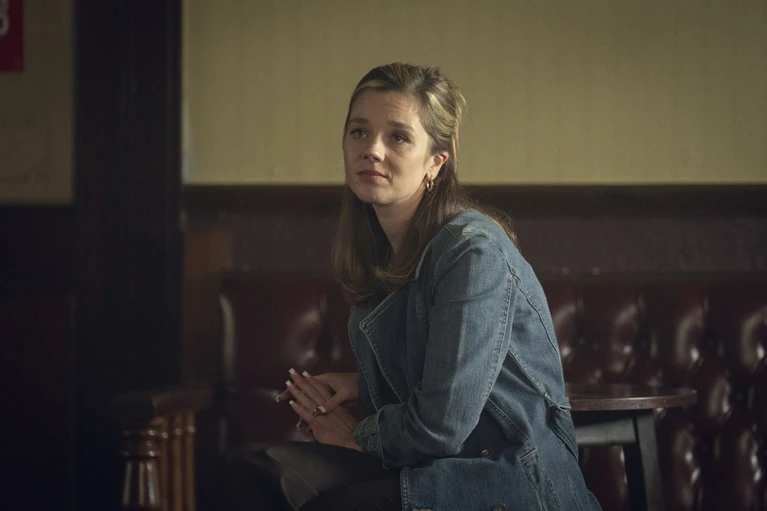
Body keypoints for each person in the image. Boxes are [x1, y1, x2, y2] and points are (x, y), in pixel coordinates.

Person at [218, 62, 602, 511]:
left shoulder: (471, 251)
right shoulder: (383, 249)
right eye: (359, 132)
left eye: (397, 137)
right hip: (430, 465)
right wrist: (362, 387)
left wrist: (355, 435)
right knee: (248, 472)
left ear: (435, 162)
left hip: (501, 478)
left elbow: (441, 427)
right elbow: (440, 376)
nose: (372, 150)